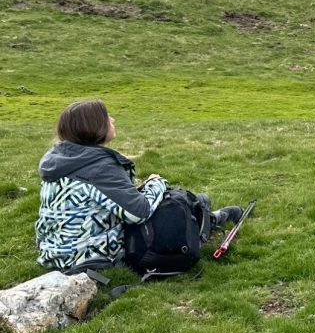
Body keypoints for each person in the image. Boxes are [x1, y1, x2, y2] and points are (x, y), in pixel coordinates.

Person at [35, 99, 242, 271]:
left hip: (53, 253)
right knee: (165, 210)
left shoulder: (62, 160)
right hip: (85, 257)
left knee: (162, 199)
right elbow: (139, 212)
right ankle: (208, 218)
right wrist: (156, 183)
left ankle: (199, 209)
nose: (112, 119)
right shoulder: (98, 167)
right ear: (93, 127)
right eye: (106, 117)